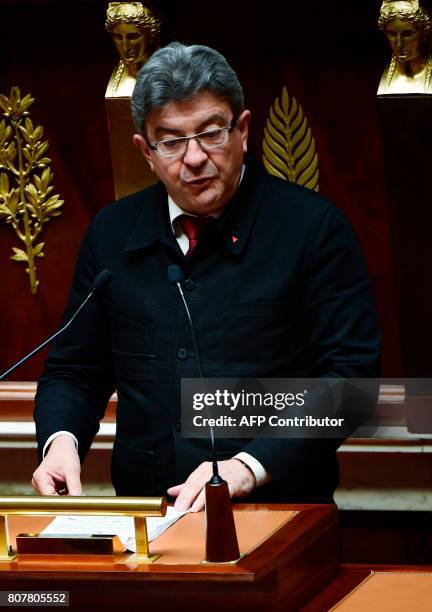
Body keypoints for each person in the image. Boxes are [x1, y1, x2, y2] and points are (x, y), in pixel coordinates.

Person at [32, 42, 380, 510]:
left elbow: (350, 384)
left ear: (242, 130)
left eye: (211, 133)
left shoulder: (312, 229)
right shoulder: (113, 234)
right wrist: (61, 442)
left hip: (278, 510)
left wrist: (248, 466)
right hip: (148, 516)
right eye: (171, 141)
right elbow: (76, 370)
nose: (194, 158)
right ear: (146, 151)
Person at [105, 1, 161, 97]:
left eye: (133, 37)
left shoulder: (168, 74)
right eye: (118, 37)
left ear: (151, 34)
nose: (125, 47)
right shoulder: (116, 78)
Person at [378, 0, 432, 94]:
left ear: (424, 33)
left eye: (407, 34)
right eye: (392, 34)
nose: (399, 44)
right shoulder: (385, 78)